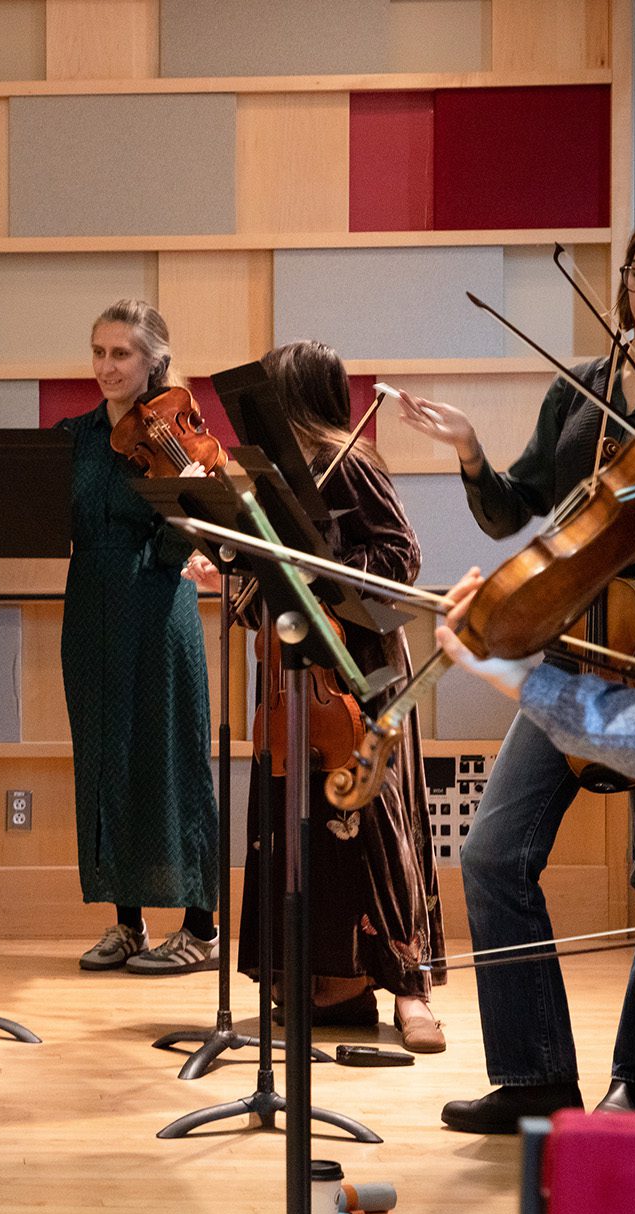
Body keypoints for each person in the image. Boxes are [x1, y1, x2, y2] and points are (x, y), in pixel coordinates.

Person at [394, 205, 635, 1130]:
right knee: (495, 851)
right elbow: (514, 515)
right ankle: (534, 1075)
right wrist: (468, 452)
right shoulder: (584, 388)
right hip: (576, 647)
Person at [199, 341, 444, 1050]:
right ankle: (316, 979)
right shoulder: (271, 479)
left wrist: (319, 565)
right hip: (291, 678)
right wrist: (232, 577)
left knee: (371, 822)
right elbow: (261, 593)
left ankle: (409, 988)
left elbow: (401, 555)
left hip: (359, 668)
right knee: (295, 825)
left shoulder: (353, 462)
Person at [59, 300, 221, 975]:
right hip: (90, 607)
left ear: (153, 359)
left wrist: (188, 509)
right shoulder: (76, 435)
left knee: (173, 757)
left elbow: (203, 523)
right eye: (98, 351)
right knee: (105, 759)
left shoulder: (179, 435)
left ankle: (201, 925)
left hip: (158, 605)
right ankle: (127, 920)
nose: (105, 366)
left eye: (119, 353)